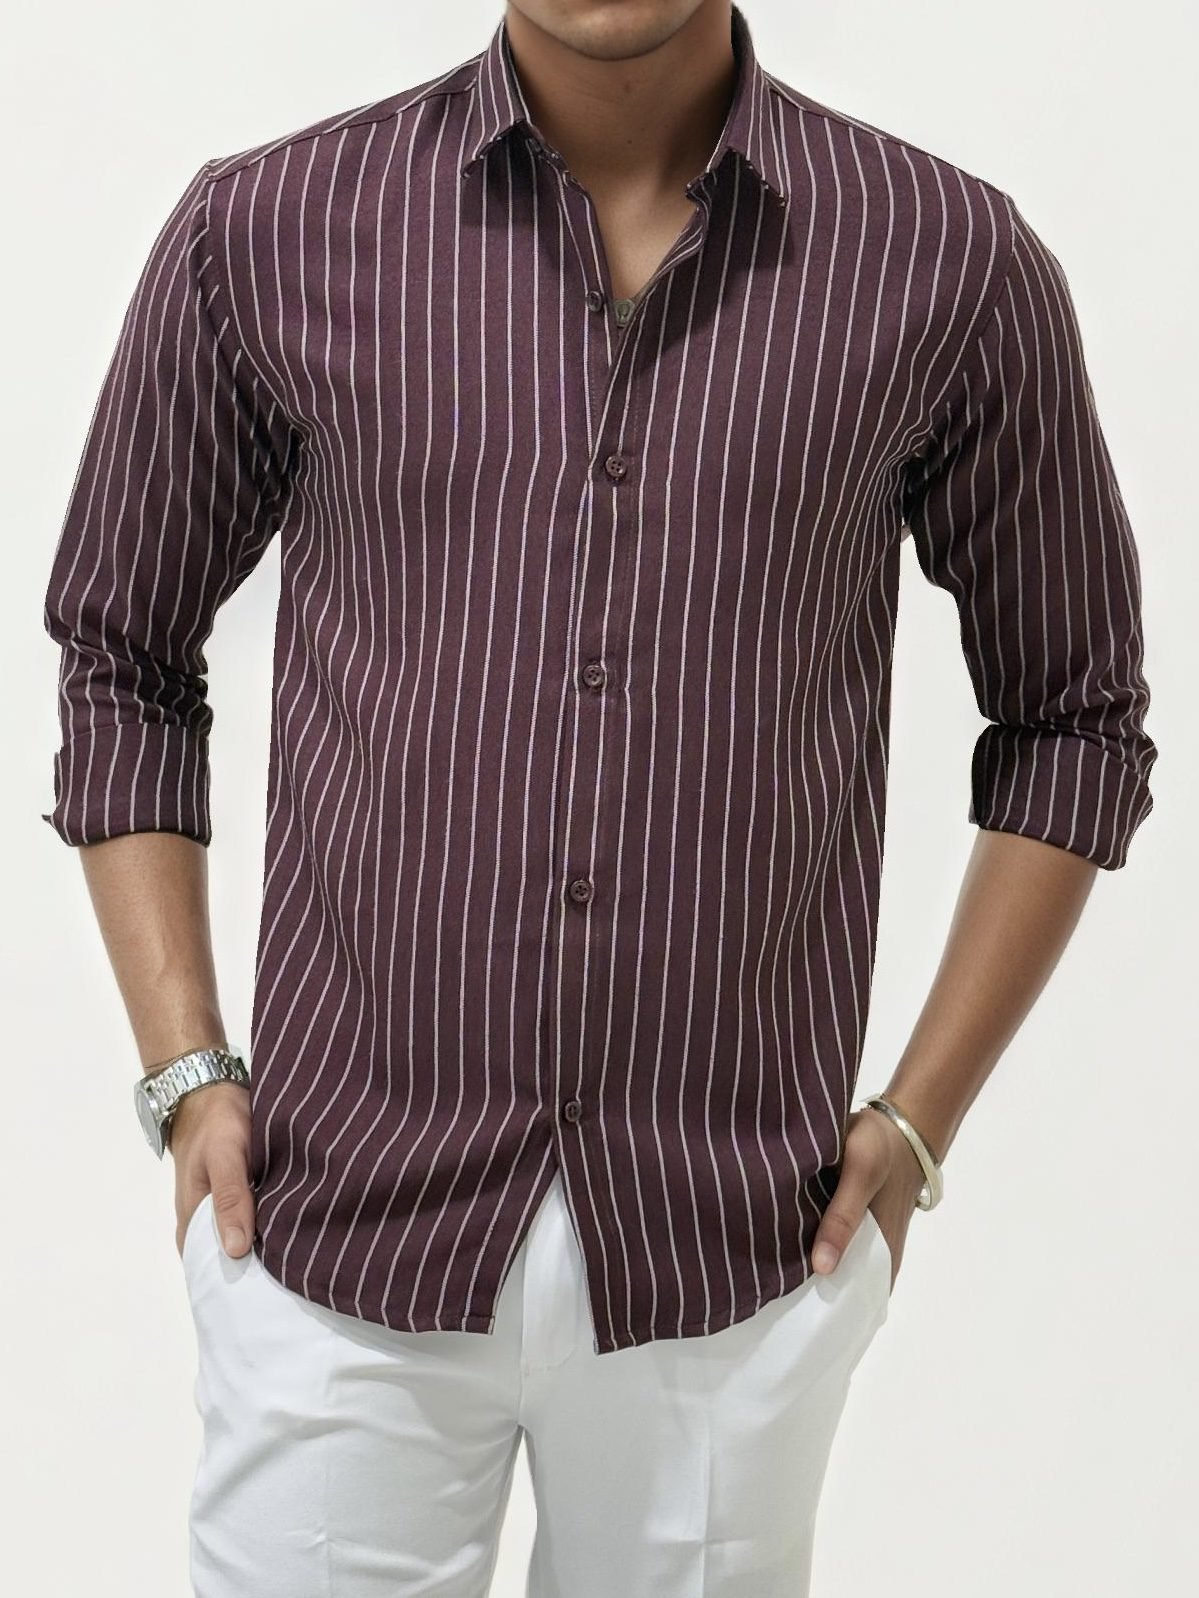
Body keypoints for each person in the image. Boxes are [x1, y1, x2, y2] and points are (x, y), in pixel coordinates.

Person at [40, 3, 1157, 1594]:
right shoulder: (270, 228)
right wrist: (185, 1070)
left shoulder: (946, 262)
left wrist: (921, 1119)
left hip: (734, 1260)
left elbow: (1074, 719)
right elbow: (122, 649)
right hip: (334, 1234)